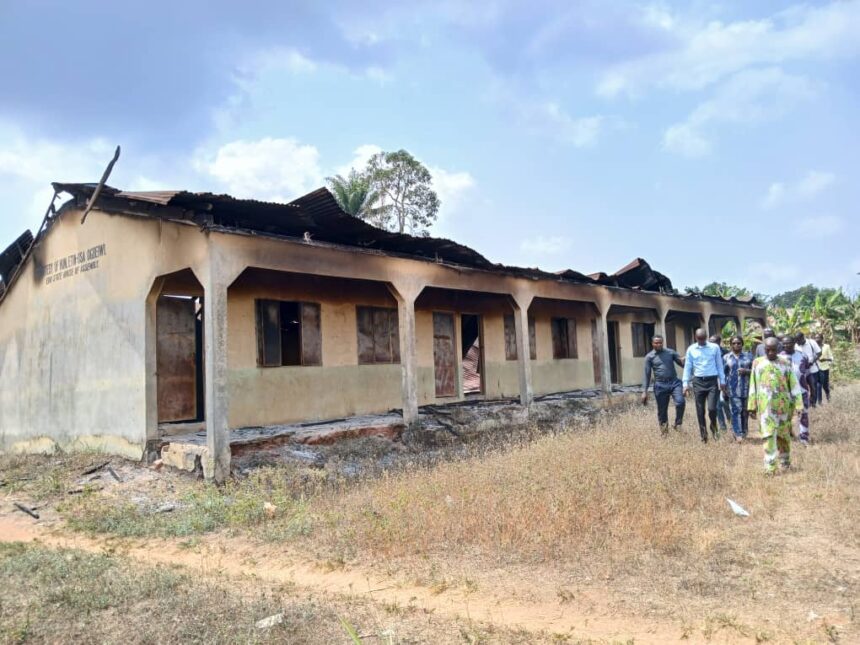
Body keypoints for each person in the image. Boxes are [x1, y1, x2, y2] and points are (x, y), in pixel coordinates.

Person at [748, 337, 804, 474]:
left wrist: (798, 404)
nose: (771, 352)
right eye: (768, 350)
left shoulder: (785, 363)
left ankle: (785, 461)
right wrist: (751, 406)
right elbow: (753, 385)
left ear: (778, 349)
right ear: (764, 349)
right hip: (765, 408)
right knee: (768, 435)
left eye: (774, 350)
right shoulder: (757, 363)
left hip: (784, 407)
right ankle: (770, 467)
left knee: (783, 435)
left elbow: (794, 385)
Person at [683, 328, 727, 443]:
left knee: (712, 409)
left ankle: (713, 426)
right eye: (699, 339)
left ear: (706, 337)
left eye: (703, 339)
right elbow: (687, 367)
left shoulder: (714, 348)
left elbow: (719, 365)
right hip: (698, 381)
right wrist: (685, 383)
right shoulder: (691, 349)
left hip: (712, 381)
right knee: (700, 410)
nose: (701, 341)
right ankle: (703, 435)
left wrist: (722, 380)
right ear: (696, 338)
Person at [641, 335, 686, 435]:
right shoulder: (649, 357)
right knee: (662, 411)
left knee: (680, 402)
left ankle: (677, 424)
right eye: (656, 343)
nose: (659, 344)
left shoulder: (670, 352)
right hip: (660, 385)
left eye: (660, 342)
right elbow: (647, 375)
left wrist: (688, 360)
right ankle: (665, 433)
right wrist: (644, 391)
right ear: (652, 344)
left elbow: (682, 364)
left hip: (674, 383)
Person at [780, 334, 811, 446]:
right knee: (785, 416)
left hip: (802, 391)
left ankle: (804, 438)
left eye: (789, 342)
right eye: (784, 343)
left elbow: (808, 375)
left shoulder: (803, 356)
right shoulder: (778, 358)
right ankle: (786, 437)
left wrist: (812, 390)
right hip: (784, 393)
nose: (786, 345)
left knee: (803, 415)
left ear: (794, 343)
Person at [724, 335, 753, 442]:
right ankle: (737, 433)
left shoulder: (749, 357)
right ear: (731, 345)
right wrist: (723, 389)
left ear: (742, 344)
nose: (736, 345)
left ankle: (745, 431)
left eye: (738, 343)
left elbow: (755, 371)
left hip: (747, 388)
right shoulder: (726, 357)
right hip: (732, 389)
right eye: (734, 343)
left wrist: (747, 371)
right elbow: (723, 374)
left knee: (745, 411)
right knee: (736, 410)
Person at [710, 334, 730, 433]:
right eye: (710, 342)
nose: (711, 344)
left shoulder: (726, 353)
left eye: (713, 342)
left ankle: (730, 420)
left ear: (718, 342)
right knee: (717, 405)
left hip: (725, 381)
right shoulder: (707, 352)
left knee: (725, 402)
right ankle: (723, 427)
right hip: (713, 381)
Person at [795, 332, 822, 407]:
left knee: (813, 387)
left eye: (799, 340)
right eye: (796, 341)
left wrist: (812, 361)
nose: (798, 342)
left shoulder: (811, 342)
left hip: (812, 369)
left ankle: (813, 403)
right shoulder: (796, 345)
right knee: (802, 387)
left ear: (803, 337)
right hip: (801, 370)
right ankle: (804, 403)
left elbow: (819, 353)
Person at [815, 333, 833, 403]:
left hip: (825, 368)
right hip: (816, 368)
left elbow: (831, 358)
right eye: (815, 338)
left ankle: (828, 394)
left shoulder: (826, 346)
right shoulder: (813, 347)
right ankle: (819, 401)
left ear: (822, 339)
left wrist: (825, 359)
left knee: (825, 385)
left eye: (818, 338)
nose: (817, 339)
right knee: (818, 385)